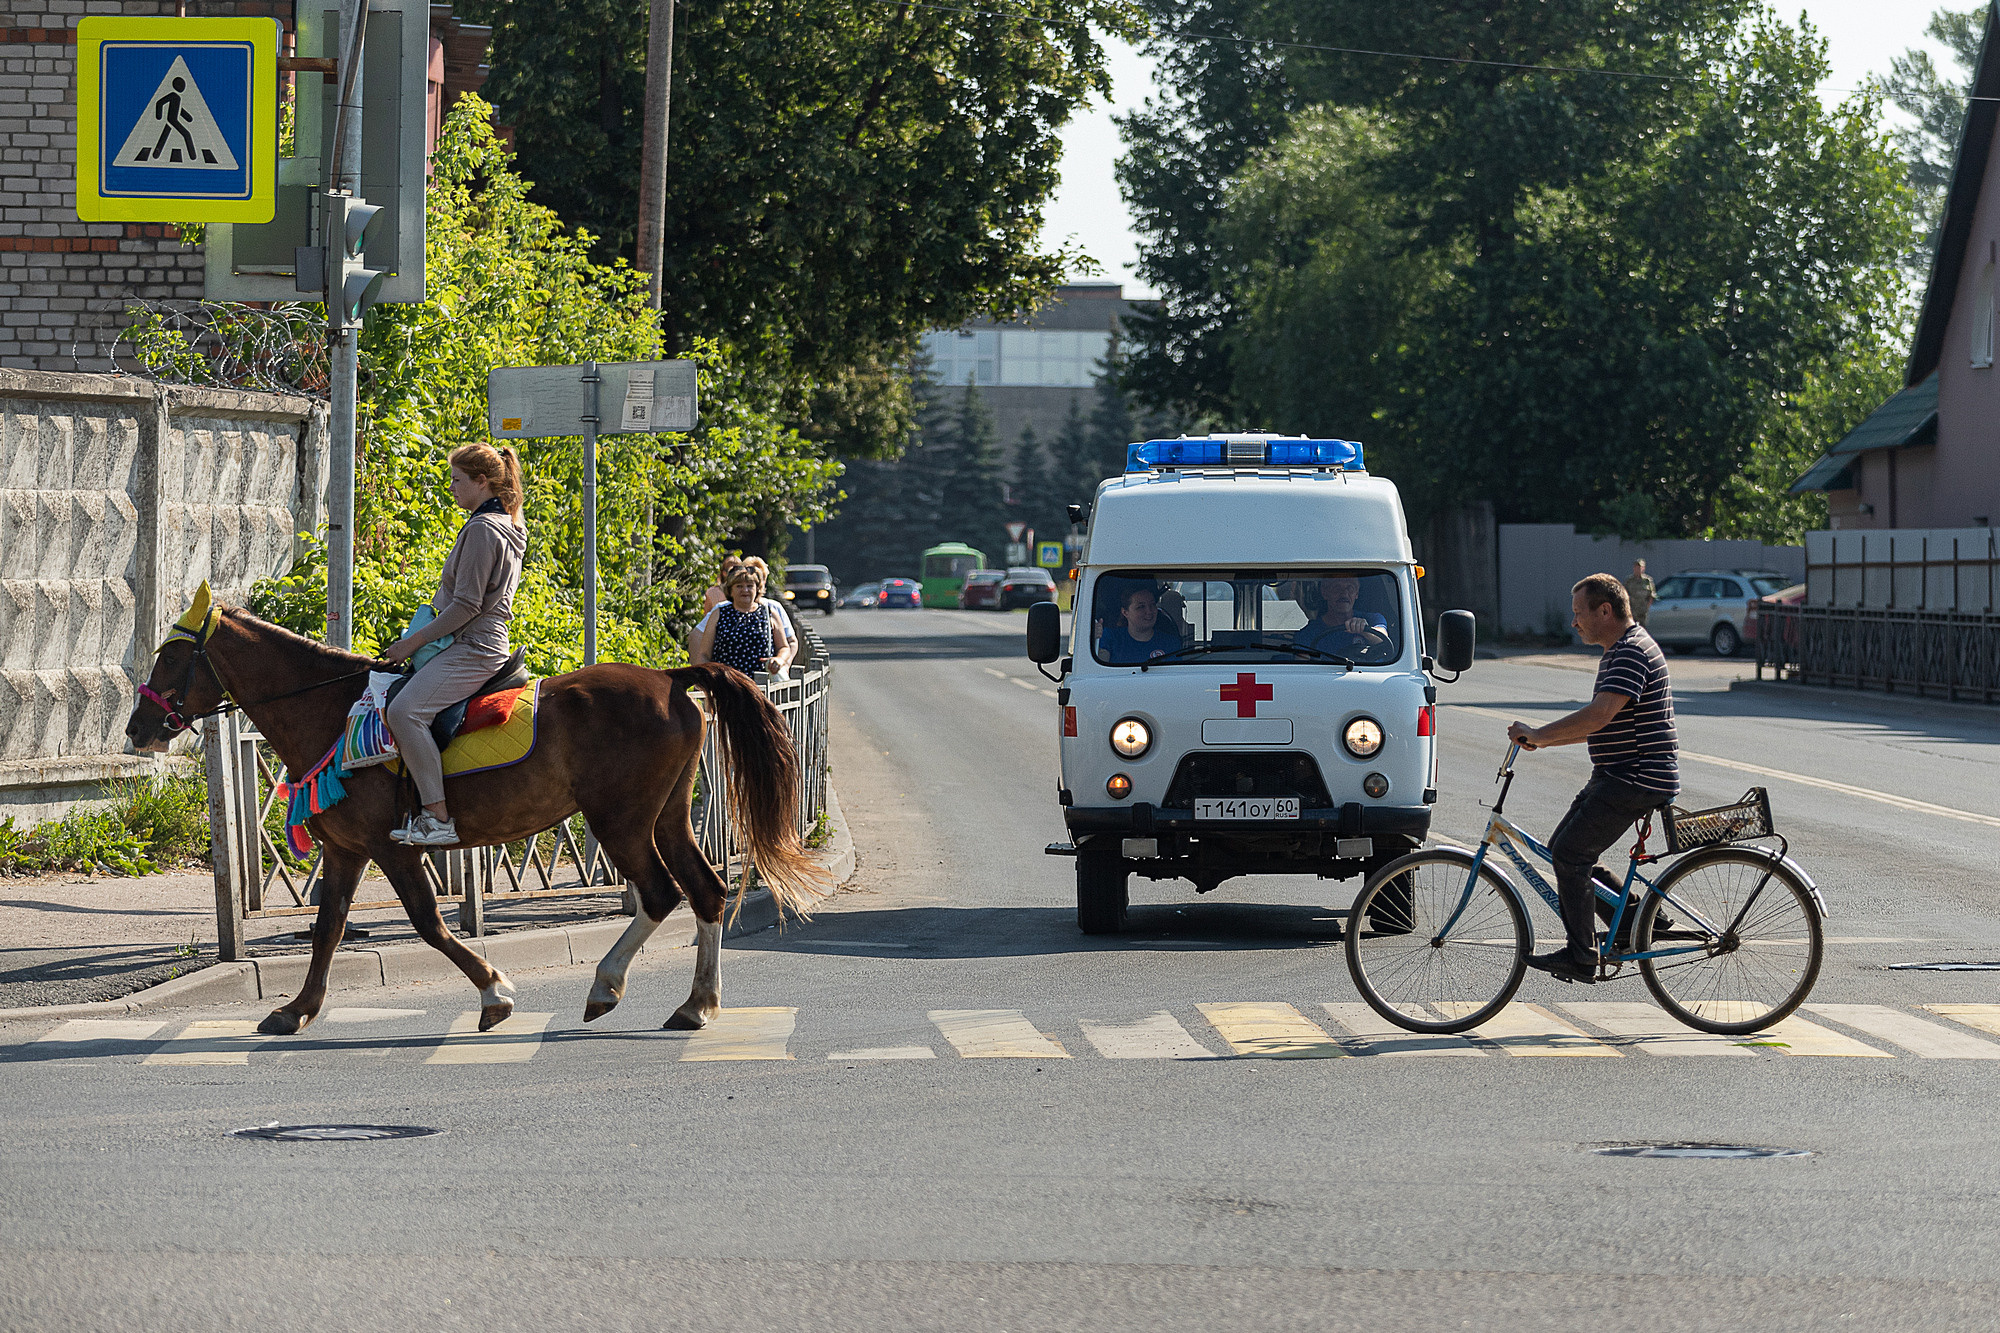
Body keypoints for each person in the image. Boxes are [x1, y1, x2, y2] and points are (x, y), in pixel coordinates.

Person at [1506, 573, 1679, 983]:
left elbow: (1599, 716)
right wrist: (1543, 740)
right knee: (1563, 850)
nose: (1573, 622)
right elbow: (1601, 725)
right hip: (1620, 774)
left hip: (1635, 776)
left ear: (1605, 610)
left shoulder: (1631, 651)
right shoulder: (1619, 650)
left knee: (1571, 855)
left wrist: (1541, 734)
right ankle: (1638, 919)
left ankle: (1581, 956)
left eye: (1578, 613)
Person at [380, 444, 529, 847]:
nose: (451, 488)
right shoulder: (508, 523)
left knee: (404, 712)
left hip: (475, 646)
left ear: (482, 482)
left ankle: (437, 818)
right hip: (481, 641)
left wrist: (411, 643)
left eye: (457, 480)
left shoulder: (482, 529)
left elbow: (466, 606)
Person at [692, 564, 796, 678]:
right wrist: (704, 678)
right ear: (730, 590)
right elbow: (704, 654)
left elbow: (784, 647)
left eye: (750, 586)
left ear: (757, 589)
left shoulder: (769, 613)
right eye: (739, 586)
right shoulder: (719, 613)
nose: (745, 590)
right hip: (726, 682)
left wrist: (779, 659)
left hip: (760, 683)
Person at [1294, 575, 1389, 659]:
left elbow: (1383, 639)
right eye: (1337, 588)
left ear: (1356, 594)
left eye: (1350, 588)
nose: (1344, 594)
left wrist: (1365, 630)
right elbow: (1302, 667)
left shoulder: (1373, 619)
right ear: (1325, 593)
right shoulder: (1308, 634)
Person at [1098, 585, 1176, 664]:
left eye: (1152, 604)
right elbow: (1100, 667)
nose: (1149, 611)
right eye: (1141, 607)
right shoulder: (1110, 637)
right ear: (1125, 612)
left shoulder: (1170, 642)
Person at [1624, 559, 1656, 627]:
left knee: (1643, 629)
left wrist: (1647, 607)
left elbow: (1652, 595)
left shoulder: (1647, 580)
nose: (1638, 569)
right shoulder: (1629, 581)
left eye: (1640, 567)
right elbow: (1624, 594)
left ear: (1643, 568)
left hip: (1643, 611)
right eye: (1636, 567)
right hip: (1632, 611)